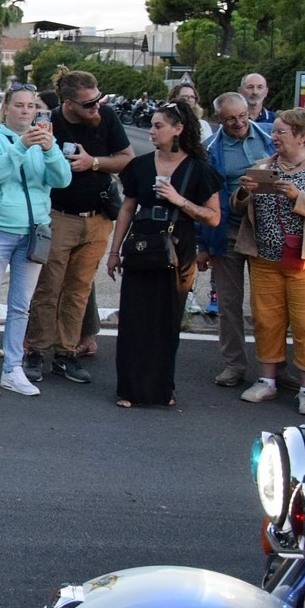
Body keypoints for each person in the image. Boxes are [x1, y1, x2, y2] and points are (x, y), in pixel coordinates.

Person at [232, 109, 305, 416]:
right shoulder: (263, 167)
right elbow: (238, 207)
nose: (274, 137)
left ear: (301, 136)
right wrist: (243, 191)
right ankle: (266, 381)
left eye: (281, 132)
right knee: (266, 321)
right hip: (265, 259)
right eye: (274, 132)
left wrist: (299, 197)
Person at [107, 101, 222, 408]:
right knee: (133, 318)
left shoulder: (198, 169)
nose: (152, 131)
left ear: (178, 129)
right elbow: (127, 208)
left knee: (166, 319)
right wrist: (114, 251)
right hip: (142, 244)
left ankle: (161, 389)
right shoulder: (141, 165)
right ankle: (129, 389)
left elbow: (213, 217)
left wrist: (179, 200)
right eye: (152, 125)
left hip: (177, 248)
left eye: (159, 126)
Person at [23, 68, 134, 385]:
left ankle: (66, 353)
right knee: (48, 287)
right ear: (68, 104)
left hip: (97, 218)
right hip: (58, 216)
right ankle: (35, 351)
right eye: (89, 104)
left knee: (78, 290)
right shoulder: (49, 122)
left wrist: (93, 162)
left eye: (98, 99)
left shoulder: (106, 116)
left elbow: (127, 158)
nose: (96, 107)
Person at [0, 86, 71, 397]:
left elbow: (63, 180)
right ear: (7, 108)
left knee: (21, 306)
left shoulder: (44, 140)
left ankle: (13, 368)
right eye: (19, 105)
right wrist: (21, 147)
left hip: (34, 231)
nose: (26, 111)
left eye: (31, 106)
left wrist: (51, 150)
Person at [196, 91, 276, 387]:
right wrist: (202, 245)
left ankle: (275, 367)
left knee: (268, 304)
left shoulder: (270, 137)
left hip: (265, 230)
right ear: (219, 119)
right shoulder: (209, 149)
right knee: (229, 304)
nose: (239, 123)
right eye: (230, 119)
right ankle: (234, 365)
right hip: (226, 231)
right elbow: (202, 197)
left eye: (243, 116)